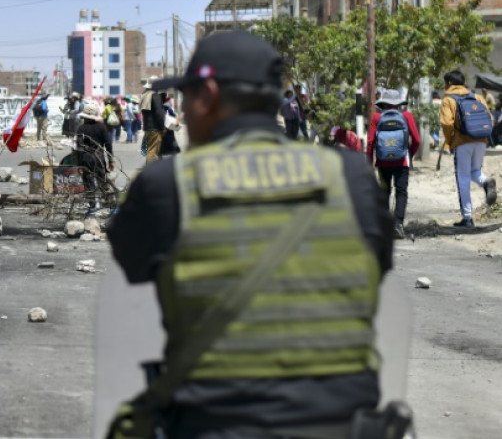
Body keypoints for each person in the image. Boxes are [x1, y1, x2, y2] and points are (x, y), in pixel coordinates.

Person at [106, 30, 393, 439]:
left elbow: (132, 266)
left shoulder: (167, 186)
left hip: (214, 425)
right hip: (345, 426)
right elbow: (376, 269)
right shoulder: (350, 177)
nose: (183, 112)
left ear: (207, 94)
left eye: (186, 97)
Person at [440, 70, 497, 228]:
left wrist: (451, 141)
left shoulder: (448, 100)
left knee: (463, 178)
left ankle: (467, 218)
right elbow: (490, 118)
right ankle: (486, 182)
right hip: (481, 140)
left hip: (462, 142)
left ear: (450, 83)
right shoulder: (477, 97)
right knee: (475, 171)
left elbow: (446, 123)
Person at [367, 89, 421, 239]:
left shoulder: (377, 117)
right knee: (401, 191)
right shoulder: (406, 116)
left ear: (384, 103)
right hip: (402, 160)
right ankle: (398, 225)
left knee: (384, 191)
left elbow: (371, 142)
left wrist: (369, 161)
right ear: (398, 103)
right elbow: (417, 140)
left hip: (383, 161)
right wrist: (409, 152)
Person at [75, 103, 114, 214]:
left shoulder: (81, 128)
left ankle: (92, 206)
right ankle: (107, 203)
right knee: (102, 181)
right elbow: (108, 144)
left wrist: (79, 163)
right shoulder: (102, 127)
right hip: (99, 158)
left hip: (85, 158)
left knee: (88, 182)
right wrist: (111, 160)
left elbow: (78, 146)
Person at [140, 81, 165, 163]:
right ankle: (149, 171)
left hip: (147, 127)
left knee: (151, 149)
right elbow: (159, 112)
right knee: (153, 151)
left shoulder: (145, 95)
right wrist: (163, 126)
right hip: (155, 127)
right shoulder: (155, 95)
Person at [159, 93, 180, 157]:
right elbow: (175, 117)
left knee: (162, 145)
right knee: (171, 143)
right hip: (169, 129)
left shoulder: (157, 108)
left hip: (161, 129)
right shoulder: (168, 108)